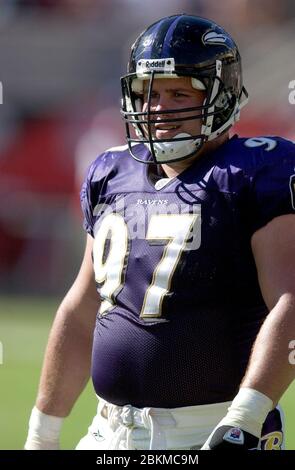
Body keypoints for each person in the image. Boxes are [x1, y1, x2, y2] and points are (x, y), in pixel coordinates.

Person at [25, 14, 295, 451]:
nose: (158, 107)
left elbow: (291, 298)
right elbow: (83, 306)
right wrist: (42, 434)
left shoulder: (255, 171)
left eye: (177, 92)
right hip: (107, 431)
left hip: (209, 428)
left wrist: (244, 418)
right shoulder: (111, 172)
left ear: (221, 96)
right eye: (147, 93)